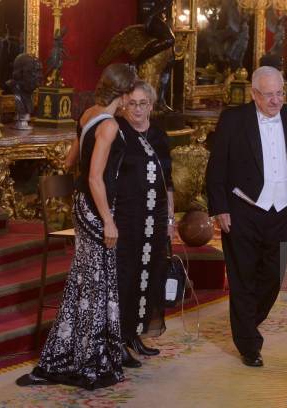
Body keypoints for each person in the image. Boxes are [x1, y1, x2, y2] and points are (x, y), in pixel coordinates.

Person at [16, 63, 137, 390]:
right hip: (98, 211)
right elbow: (95, 176)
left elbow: (70, 163)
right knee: (95, 283)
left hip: (83, 207)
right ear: (123, 94)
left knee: (86, 282)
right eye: (130, 95)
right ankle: (88, 361)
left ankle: (75, 354)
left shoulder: (88, 114)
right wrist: (109, 220)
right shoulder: (109, 125)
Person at [206, 66, 287, 367]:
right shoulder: (233, 119)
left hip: (282, 210)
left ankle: (245, 323)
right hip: (242, 210)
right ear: (254, 94)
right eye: (268, 95)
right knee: (243, 277)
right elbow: (216, 167)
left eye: (280, 93)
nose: (275, 100)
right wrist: (220, 208)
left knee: (272, 276)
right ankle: (249, 344)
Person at [113, 80, 175, 367]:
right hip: (127, 218)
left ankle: (134, 334)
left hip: (156, 218)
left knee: (148, 276)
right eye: (132, 103)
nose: (137, 109)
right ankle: (118, 339)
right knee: (125, 278)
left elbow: (169, 183)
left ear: (151, 105)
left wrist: (170, 219)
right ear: (125, 105)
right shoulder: (118, 133)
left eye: (143, 103)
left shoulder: (160, 136)